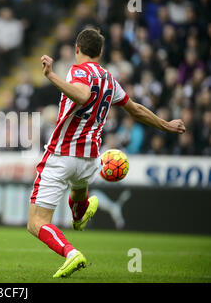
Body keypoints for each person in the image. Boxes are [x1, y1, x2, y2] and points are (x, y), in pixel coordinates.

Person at [27, 28, 186, 278]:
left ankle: (71, 253)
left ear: (77, 49)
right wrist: (166, 125)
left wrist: (50, 75)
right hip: (90, 159)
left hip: (62, 155)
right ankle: (80, 214)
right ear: (100, 52)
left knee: (36, 222)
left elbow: (81, 94)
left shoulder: (78, 70)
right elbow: (135, 110)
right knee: (78, 189)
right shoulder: (109, 79)